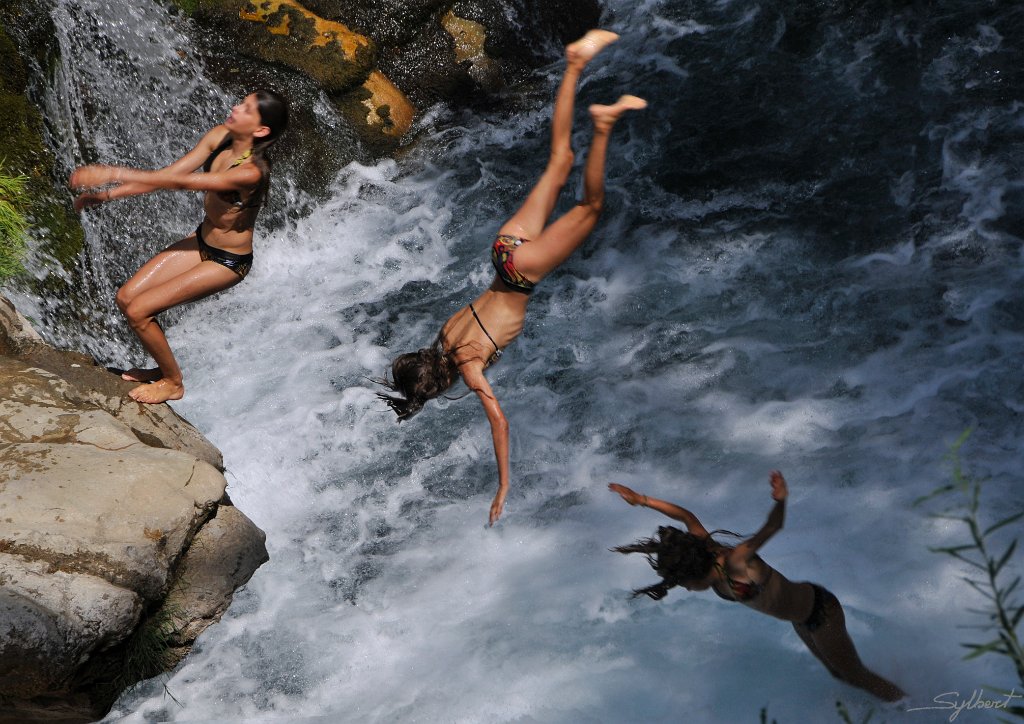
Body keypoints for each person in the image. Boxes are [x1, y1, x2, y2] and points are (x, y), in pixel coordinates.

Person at [377, 30, 646, 525]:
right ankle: (574, 61)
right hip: (504, 251)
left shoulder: (470, 362)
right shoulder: (444, 337)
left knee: (591, 206)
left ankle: (604, 125)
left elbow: (498, 421)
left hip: (522, 273)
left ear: (438, 385)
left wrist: (503, 485)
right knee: (560, 161)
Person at [69, 90, 289, 404]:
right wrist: (105, 195)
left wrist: (113, 172)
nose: (235, 108)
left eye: (246, 109)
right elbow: (169, 176)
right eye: (241, 101)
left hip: (227, 262)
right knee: (127, 297)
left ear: (260, 130)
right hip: (201, 240)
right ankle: (160, 370)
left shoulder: (251, 172)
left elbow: (185, 184)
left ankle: (173, 382)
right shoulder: (219, 137)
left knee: (139, 311)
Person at [609, 472, 905, 702]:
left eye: (684, 583)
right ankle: (890, 702)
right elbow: (686, 517)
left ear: (697, 573)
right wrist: (642, 500)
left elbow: (771, 529)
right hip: (800, 620)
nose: (685, 589)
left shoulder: (737, 563)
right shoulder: (704, 549)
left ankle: (910, 706)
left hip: (821, 612)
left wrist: (780, 500)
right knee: (839, 675)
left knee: (855, 674)